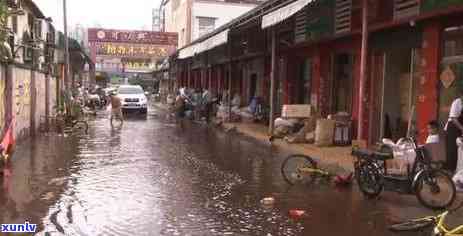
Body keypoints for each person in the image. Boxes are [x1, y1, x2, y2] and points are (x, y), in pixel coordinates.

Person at [445, 89, 463, 171]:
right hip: (452, 128)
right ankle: (450, 170)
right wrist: (462, 128)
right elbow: (454, 118)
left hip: (460, 129)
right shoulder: (457, 102)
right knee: (452, 150)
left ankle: (458, 170)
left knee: (459, 150)